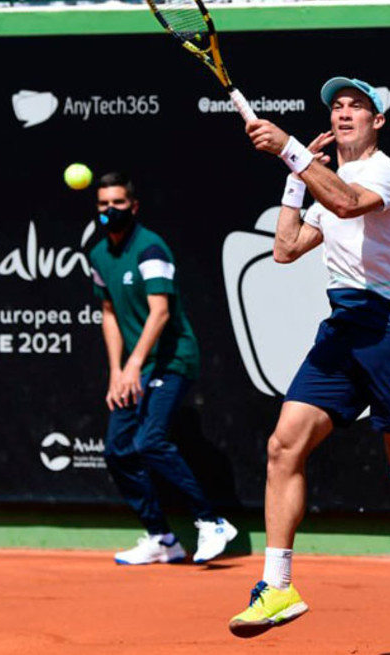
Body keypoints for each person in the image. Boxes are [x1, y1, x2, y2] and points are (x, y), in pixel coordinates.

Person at [228, 78, 390, 652]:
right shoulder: (324, 183)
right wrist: (295, 178)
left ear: (377, 121)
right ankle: (278, 585)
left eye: (357, 107)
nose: (344, 113)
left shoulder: (386, 174)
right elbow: (285, 249)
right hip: (343, 328)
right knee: (283, 446)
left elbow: (345, 202)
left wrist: (289, 148)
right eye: (337, 106)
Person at [87, 171, 237, 565]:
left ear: (133, 206)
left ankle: (212, 522)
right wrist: (117, 371)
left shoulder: (150, 249)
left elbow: (160, 312)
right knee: (117, 450)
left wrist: (134, 364)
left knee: (150, 441)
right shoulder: (98, 255)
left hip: (172, 360)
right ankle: (162, 538)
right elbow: (109, 313)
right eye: (103, 204)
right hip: (135, 366)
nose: (110, 210)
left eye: (118, 203)